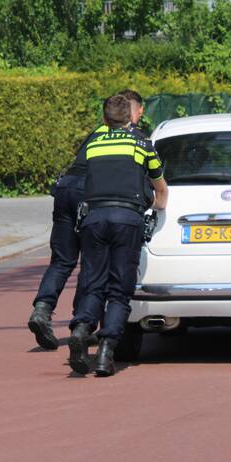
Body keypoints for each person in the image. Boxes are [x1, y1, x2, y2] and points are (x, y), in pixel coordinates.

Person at [27, 89, 149, 350]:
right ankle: (82, 324)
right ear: (130, 113)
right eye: (138, 111)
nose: (139, 115)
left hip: (65, 188)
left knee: (62, 259)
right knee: (94, 264)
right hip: (91, 194)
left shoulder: (96, 132)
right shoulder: (132, 138)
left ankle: (42, 308)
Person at [68, 95, 168, 377]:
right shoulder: (141, 144)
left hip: (94, 218)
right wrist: (158, 206)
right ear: (131, 118)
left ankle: (82, 328)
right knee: (120, 289)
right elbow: (160, 186)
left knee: (92, 282)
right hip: (127, 219)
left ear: (104, 120)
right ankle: (106, 351)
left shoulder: (93, 145)